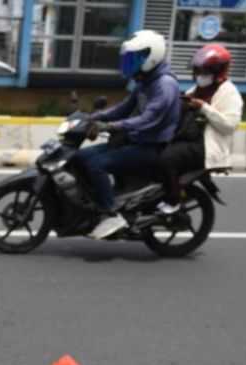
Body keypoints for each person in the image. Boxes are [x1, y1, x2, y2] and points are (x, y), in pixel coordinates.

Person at [72, 30, 181, 240]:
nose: (130, 63)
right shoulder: (145, 82)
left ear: (151, 56)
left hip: (152, 148)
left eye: (136, 58)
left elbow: (147, 119)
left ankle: (111, 213)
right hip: (136, 140)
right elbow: (123, 108)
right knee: (80, 157)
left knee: (96, 164)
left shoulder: (164, 85)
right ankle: (97, 201)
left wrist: (111, 127)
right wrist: (92, 117)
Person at [156, 44, 243, 214]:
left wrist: (203, 107)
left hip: (206, 146)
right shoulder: (196, 89)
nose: (198, 76)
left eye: (203, 72)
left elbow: (229, 126)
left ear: (218, 72)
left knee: (167, 158)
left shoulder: (230, 93)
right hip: (188, 138)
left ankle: (173, 199)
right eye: (197, 71)